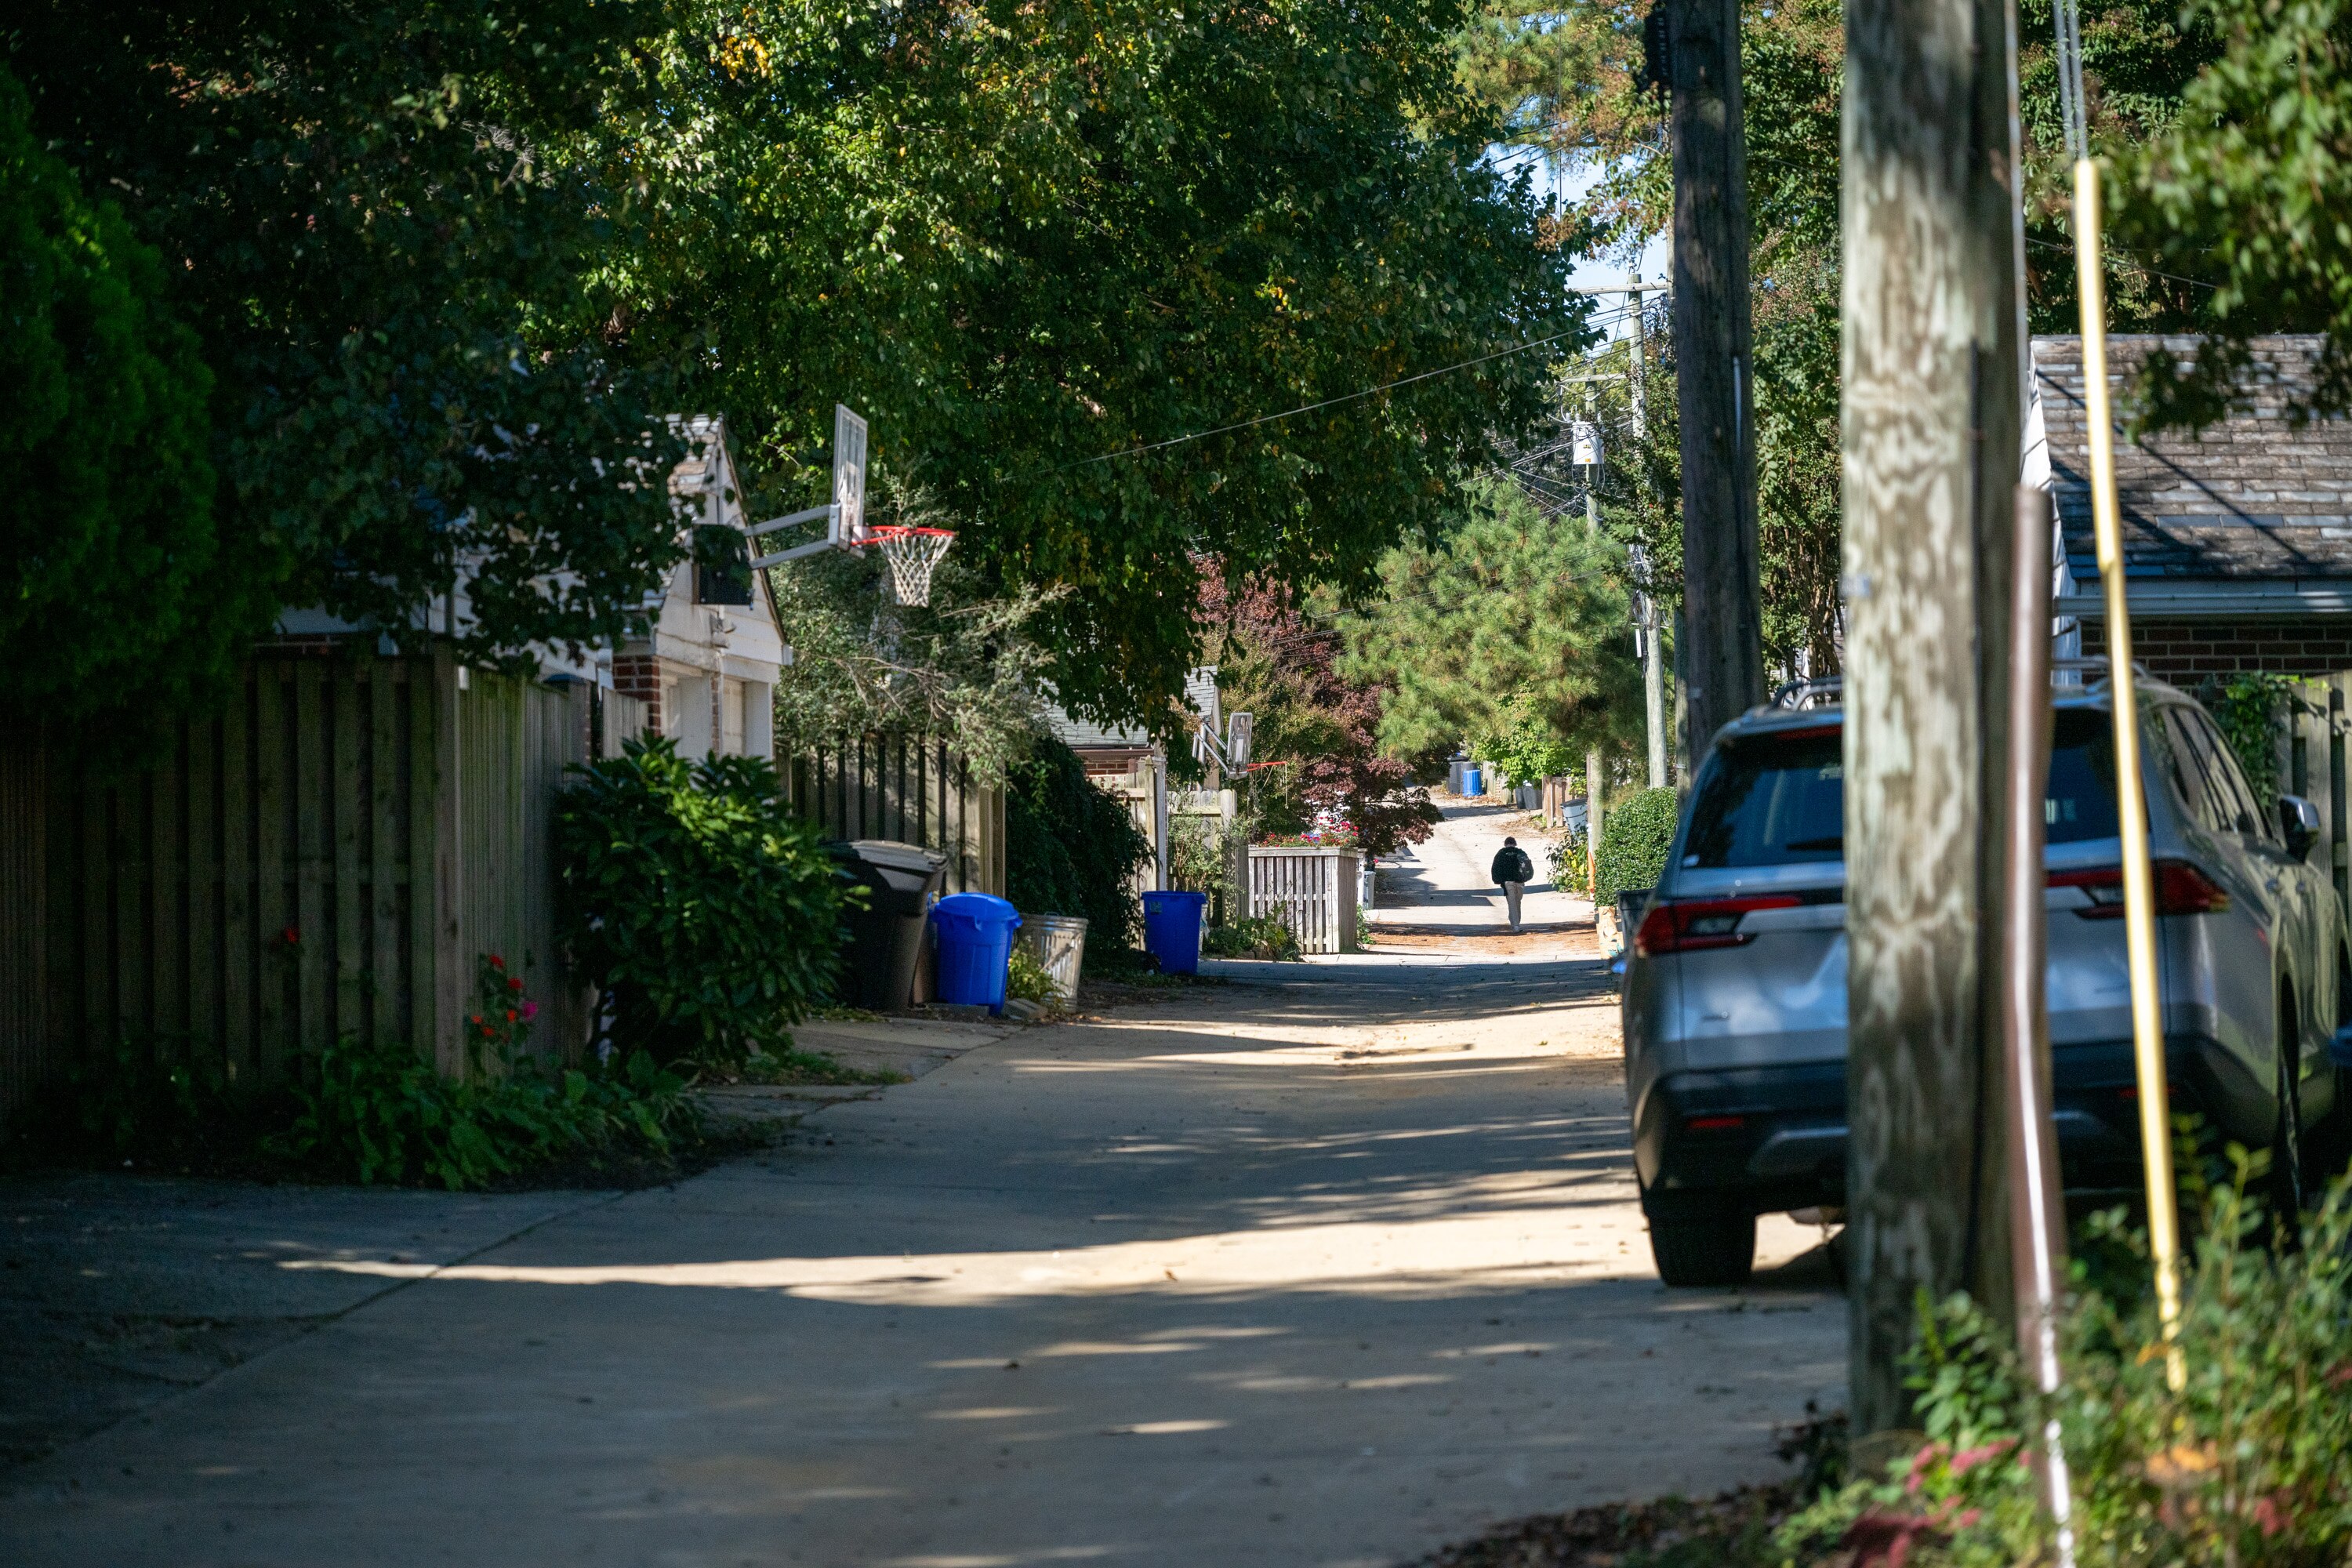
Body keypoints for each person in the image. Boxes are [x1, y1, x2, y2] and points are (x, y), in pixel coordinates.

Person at [1490, 836, 1535, 933]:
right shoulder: (1520, 853)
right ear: (1515, 844)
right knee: (1518, 902)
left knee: (1512, 904)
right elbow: (1528, 867)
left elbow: (1495, 868)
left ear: (1505, 844)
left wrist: (1498, 881)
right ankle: (1516, 923)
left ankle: (1515, 925)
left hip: (1508, 882)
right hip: (1520, 881)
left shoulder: (1501, 854)